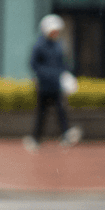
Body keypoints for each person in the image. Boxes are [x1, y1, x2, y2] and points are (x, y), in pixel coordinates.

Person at [23, 14, 81, 152]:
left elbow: (63, 63)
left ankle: (65, 135)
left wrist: (67, 76)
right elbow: (34, 65)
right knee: (42, 113)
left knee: (61, 111)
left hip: (56, 86)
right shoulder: (39, 45)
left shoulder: (59, 44)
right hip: (44, 86)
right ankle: (35, 139)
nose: (56, 33)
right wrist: (50, 75)